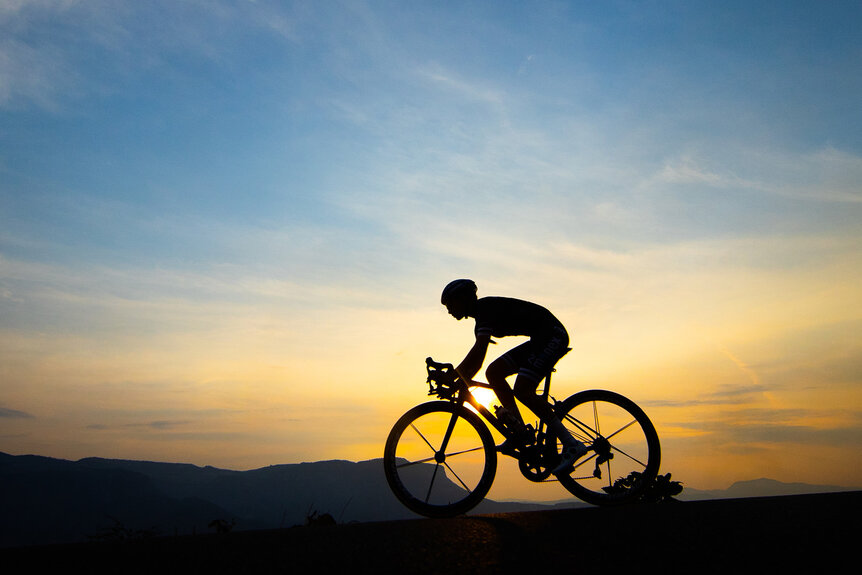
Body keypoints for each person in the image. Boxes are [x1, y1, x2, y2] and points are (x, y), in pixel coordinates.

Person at [440, 279, 589, 475]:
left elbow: (478, 352)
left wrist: (453, 376)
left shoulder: (485, 309)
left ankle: (572, 444)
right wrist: (458, 379)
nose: (449, 310)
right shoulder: (480, 320)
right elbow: (476, 363)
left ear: (463, 299)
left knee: (523, 389)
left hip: (552, 335)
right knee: (494, 372)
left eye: (450, 304)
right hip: (540, 337)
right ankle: (519, 431)